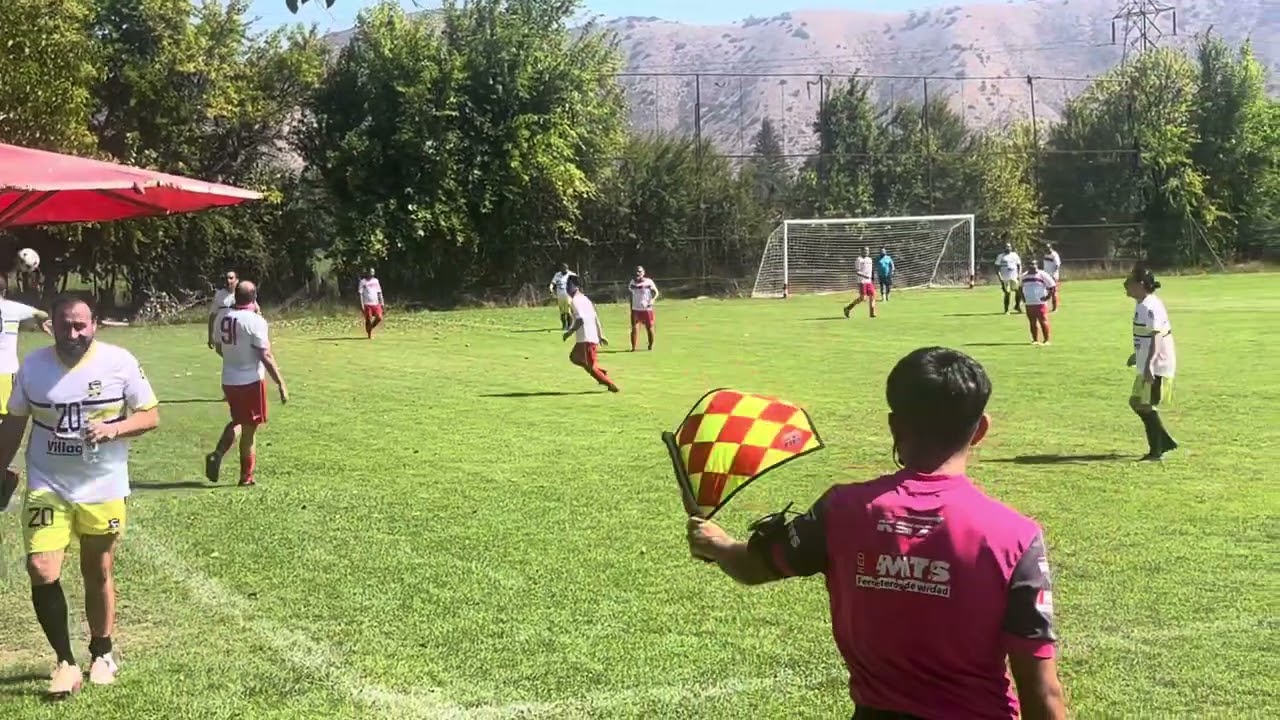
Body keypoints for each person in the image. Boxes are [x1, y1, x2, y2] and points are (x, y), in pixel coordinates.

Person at [685, 346, 1067, 720]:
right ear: (981, 429)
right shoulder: (1015, 537)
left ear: (893, 424)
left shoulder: (841, 510)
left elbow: (753, 566)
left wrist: (717, 544)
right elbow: (1042, 694)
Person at [0, 294, 159, 697]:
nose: (74, 333)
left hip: (101, 484)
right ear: (51, 324)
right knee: (40, 567)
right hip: (47, 482)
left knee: (98, 569)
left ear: (95, 325)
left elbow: (150, 414)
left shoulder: (119, 362)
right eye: (66, 324)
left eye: (82, 325)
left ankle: (102, 652)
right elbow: (15, 421)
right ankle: (65, 662)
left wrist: (114, 429)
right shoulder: (32, 367)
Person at [205, 281, 288, 486]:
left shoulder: (222, 317)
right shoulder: (255, 320)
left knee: (238, 421)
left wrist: (234, 357)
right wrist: (280, 382)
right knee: (249, 430)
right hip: (250, 380)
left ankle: (217, 453)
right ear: (254, 297)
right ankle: (246, 477)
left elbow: (219, 347)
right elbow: (265, 355)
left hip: (229, 379)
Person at [1125, 265, 1177, 461]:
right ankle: (1163, 443)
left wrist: (1149, 365)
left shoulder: (1149, 306)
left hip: (1157, 366)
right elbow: (1147, 335)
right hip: (1148, 362)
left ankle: (1158, 449)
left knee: (1143, 404)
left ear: (1140, 285)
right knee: (1137, 402)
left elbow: (1157, 337)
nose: (1126, 285)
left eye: (1129, 282)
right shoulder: (1143, 303)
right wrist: (1137, 355)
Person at [0, 278, 52, 416]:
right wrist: (40, 321)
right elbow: (42, 314)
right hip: (5, 370)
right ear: (4, 291)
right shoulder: (13, 308)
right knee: (8, 416)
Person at [563, 275, 618, 393]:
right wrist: (600, 334)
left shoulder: (576, 301)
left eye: (568, 285)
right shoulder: (585, 299)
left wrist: (569, 332)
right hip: (588, 337)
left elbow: (580, 320)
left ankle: (610, 384)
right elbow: (595, 317)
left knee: (591, 366)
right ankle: (600, 373)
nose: (566, 287)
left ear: (575, 286)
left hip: (586, 338)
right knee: (574, 357)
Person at [1020, 261, 1057, 345]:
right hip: (1029, 303)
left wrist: (1047, 297)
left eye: (1034, 264)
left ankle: (1046, 340)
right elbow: (1020, 287)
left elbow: (1052, 286)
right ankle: (1035, 340)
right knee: (1032, 321)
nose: (1032, 266)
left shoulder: (1042, 274)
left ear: (1037, 265)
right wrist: (1023, 298)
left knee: (1043, 320)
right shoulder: (1024, 276)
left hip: (1040, 302)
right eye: (1030, 264)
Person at [627, 265, 659, 352]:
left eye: (640, 272)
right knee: (634, 328)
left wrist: (652, 300)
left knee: (649, 328)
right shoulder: (632, 282)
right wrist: (631, 307)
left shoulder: (648, 282)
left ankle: (650, 345)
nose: (638, 273)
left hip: (646, 309)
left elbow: (656, 292)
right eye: (636, 272)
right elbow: (631, 295)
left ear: (643, 273)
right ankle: (633, 348)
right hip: (636, 309)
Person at [207, 270, 239, 349]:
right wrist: (210, 336)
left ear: (237, 280)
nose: (228, 281)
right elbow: (212, 316)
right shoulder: (219, 294)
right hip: (224, 332)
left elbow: (255, 309)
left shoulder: (242, 292)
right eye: (226, 278)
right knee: (219, 350)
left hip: (239, 332)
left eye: (231, 278)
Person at [842, 247, 877, 319]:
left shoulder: (869, 259)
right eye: (865, 251)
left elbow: (871, 270)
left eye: (868, 251)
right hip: (862, 281)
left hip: (869, 281)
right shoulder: (859, 260)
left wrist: (872, 277)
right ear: (861, 251)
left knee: (873, 295)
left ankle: (872, 312)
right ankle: (848, 308)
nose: (867, 252)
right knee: (862, 298)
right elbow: (857, 272)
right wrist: (865, 276)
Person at [549, 263, 578, 332]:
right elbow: (553, 283)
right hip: (560, 295)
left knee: (568, 309)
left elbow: (576, 284)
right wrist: (551, 288)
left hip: (568, 294)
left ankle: (569, 325)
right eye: (562, 269)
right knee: (562, 311)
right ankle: (564, 325)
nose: (563, 270)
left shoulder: (571, 275)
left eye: (564, 269)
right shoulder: (557, 275)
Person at [995, 243, 1023, 314]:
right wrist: (1000, 278)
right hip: (1005, 278)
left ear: (1011, 247)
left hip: (1014, 277)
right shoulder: (1000, 256)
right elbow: (997, 268)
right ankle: (1006, 310)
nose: (1008, 248)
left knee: (1019, 292)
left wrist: (1019, 274)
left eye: (1009, 247)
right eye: (1006, 247)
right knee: (1007, 293)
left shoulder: (1014, 255)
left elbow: (1019, 265)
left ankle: (1017, 306)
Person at [358, 268, 385, 339]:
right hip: (367, 304)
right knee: (368, 319)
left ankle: (370, 327)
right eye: (371, 272)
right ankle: (369, 334)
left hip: (376, 303)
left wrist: (382, 302)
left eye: (373, 272)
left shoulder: (376, 281)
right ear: (367, 273)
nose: (372, 274)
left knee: (379, 317)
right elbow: (360, 294)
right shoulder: (363, 282)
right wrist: (362, 305)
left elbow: (379, 292)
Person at [1042, 243, 1062, 312]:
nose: (1046, 250)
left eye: (1047, 248)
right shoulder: (1045, 254)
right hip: (1046, 275)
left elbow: (1057, 266)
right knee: (1045, 291)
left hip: (1053, 275)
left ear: (1050, 248)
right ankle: (1045, 306)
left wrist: (1053, 274)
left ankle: (1055, 308)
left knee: (1053, 292)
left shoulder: (1054, 255)